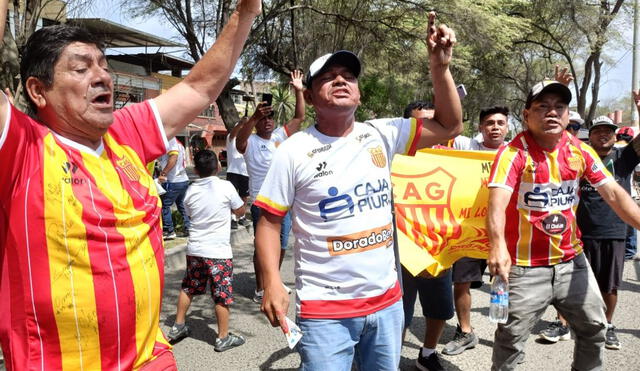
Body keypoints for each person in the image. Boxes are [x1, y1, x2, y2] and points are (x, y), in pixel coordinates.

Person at [0, 1, 260, 369]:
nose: (102, 76)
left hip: (150, 358)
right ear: (38, 91)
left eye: (104, 66)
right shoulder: (20, 147)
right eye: (81, 68)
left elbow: (201, 88)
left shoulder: (125, 132)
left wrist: (245, 12)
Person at [255, 12, 462, 370]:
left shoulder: (383, 132)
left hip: (387, 304)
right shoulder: (293, 150)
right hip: (325, 312)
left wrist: (439, 67)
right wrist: (272, 282)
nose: (341, 81)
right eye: (329, 77)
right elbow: (270, 222)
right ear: (309, 94)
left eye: (349, 77)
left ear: (359, 93)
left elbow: (449, 125)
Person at [487, 80, 640, 371]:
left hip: (572, 261)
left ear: (568, 116)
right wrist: (496, 247)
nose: (552, 113)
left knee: (596, 328)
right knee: (510, 340)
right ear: (526, 114)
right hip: (524, 266)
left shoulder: (578, 150)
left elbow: (614, 194)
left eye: (559, 107)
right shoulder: (512, 154)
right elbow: (495, 203)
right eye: (542, 107)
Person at [443, 106, 509, 357]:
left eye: (500, 122)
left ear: (507, 127)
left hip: (503, 233)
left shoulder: (514, 152)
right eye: (489, 123)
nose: (495, 127)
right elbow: (449, 124)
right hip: (469, 231)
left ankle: (506, 339)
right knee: (461, 283)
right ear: (481, 128)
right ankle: (465, 331)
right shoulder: (467, 147)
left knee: (504, 284)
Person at [235, 70, 305, 303]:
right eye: (263, 119)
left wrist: (298, 89)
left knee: (282, 244)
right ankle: (259, 288)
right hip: (259, 202)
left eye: (270, 118)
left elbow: (299, 118)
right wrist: (253, 117)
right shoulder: (251, 141)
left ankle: (273, 279)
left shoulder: (278, 136)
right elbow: (239, 142)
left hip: (282, 202)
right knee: (262, 247)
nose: (268, 122)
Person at [167, 150, 246, 351]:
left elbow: (192, 215)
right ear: (218, 167)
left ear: (195, 170)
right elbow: (240, 210)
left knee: (189, 286)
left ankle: (178, 326)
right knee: (221, 293)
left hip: (195, 249)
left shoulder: (191, 191)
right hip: (218, 252)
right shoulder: (226, 186)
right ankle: (222, 337)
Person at [399, 101, 455, 370]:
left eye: (435, 124)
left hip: (440, 249)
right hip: (399, 252)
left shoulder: (455, 163)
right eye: (423, 125)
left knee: (439, 308)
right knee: (398, 313)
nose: (431, 131)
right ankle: (389, 359)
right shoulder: (392, 161)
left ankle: (428, 354)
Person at [158, 137, 191, 239]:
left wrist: (163, 173)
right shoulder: (178, 142)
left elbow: (173, 157)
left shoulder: (170, 141)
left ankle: (169, 230)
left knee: (164, 205)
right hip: (183, 179)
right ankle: (188, 227)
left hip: (173, 180)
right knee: (181, 204)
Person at [225, 117, 251, 229]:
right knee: (232, 196)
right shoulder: (232, 138)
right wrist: (241, 123)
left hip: (246, 172)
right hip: (233, 171)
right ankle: (232, 218)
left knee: (244, 197)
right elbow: (233, 133)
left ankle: (241, 216)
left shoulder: (248, 140)